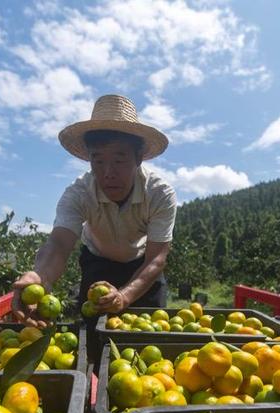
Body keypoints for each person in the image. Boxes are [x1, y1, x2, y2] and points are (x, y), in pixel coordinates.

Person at [11, 94, 177, 352]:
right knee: (95, 344)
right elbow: (58, 244)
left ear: (138, 158)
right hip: (98, 265)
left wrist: (124, 296)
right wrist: (40, 276)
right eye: (98, 161)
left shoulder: (158, 193)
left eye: (119, 160)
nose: (108, 172)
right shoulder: (79, 193)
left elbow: (157, 258)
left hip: (142, 268)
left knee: (148, 341)